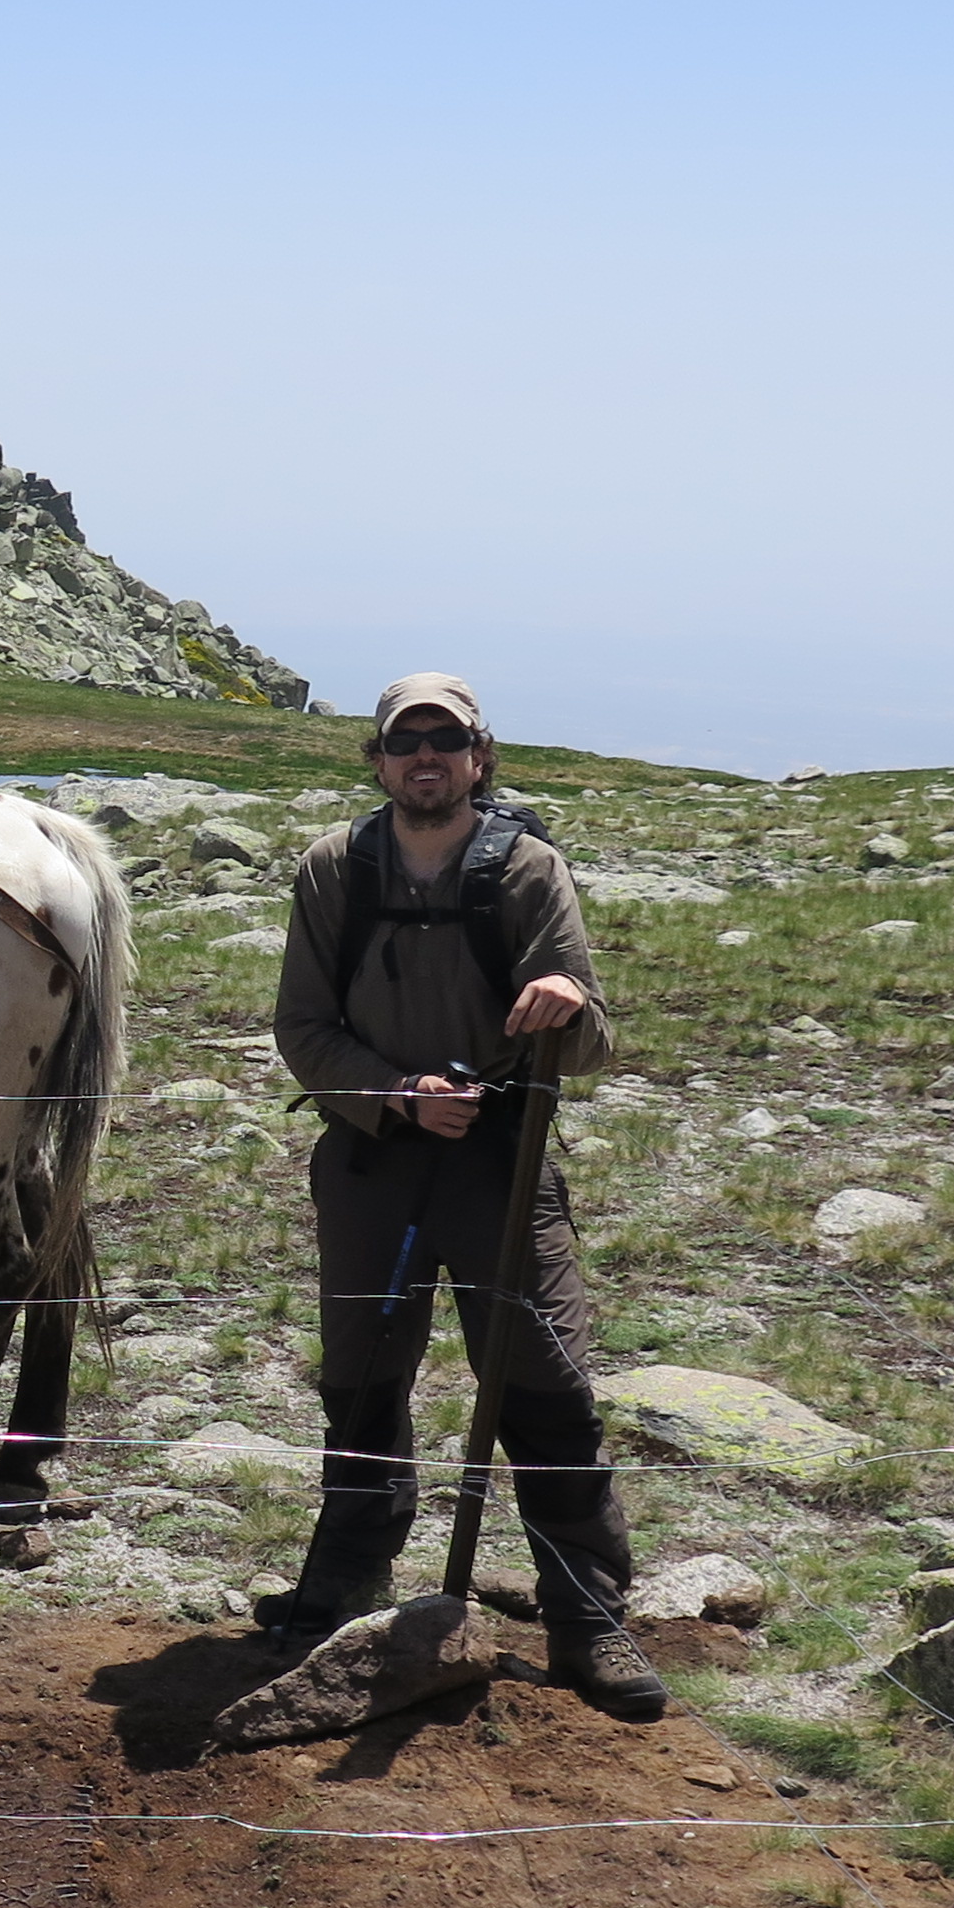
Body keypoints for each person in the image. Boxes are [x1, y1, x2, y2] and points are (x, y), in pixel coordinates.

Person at [266, 675, 663, 1718]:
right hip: (370, 1165)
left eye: (448, 741)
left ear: (480, 758)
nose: (427, 758)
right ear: (379, 760)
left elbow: (590, 1040)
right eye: (408, 743)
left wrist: (568, 998)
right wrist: (393, 1094)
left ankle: (587, 1618)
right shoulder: (333, 871)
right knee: (359, 1380)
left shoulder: (527, 870)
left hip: (505, 1168)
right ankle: (343, 1591)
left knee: (543, 1384)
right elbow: (302, 1028)